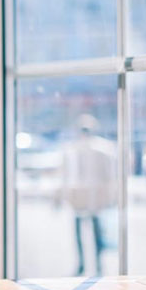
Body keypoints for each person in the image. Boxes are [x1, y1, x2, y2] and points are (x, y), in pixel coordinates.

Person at [58, 114, 117, 276]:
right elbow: (67, 175)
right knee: (85, 230)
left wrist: (110, 194)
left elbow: (110, 175)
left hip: (92, 196)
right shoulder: (75, 149)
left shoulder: (101, 149)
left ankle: (94, 263)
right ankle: (85, 263)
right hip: (82, 195)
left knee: (95, 231)